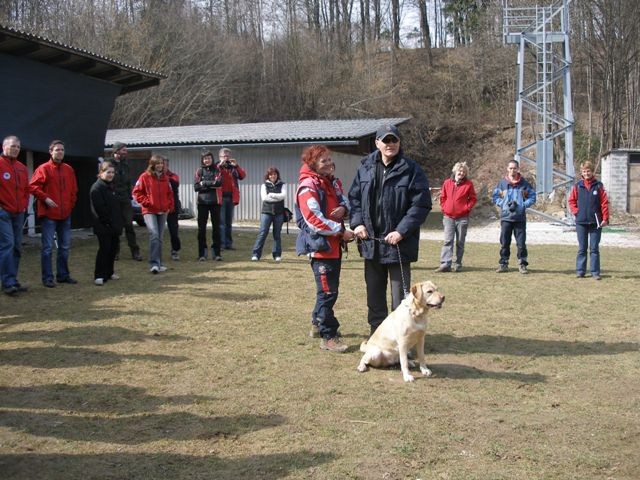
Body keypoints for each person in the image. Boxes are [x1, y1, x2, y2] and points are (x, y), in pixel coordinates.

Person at [348, 124, 432, 336]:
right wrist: (357, 224)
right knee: (374, 296)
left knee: (401, 300)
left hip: (398, 246)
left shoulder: (412, 170)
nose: (390, 144)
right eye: (385, 140)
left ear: (399, 142)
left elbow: (421, 205)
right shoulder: (365, 167)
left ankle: (401, 341)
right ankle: (378, 335)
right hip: (371, 245)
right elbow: (354, 198)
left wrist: (401, 231)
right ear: (377, 143)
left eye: (394, 140)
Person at [296, 145, 354, 353]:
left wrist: (344, 209)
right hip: (321, 249)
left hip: (334, 248)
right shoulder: (308, 185)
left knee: (327, 291)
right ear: (312, 164)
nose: (329, 163)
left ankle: (316, 323)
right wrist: (340, 232)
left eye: (329, 159)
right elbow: (313, 220)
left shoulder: (332, 181)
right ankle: (328, 335)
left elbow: (344, 200)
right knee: (328, 293)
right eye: (323, 161)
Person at [29, 140, 78, 287]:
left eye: (62, 150)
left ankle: (63, 275)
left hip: (65, 215)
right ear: (51, 151)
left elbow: (74, 190)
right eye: (57, 150)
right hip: (49, 215)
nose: (60, 152)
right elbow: (33, 186)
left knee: (64, 247)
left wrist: (70, 205)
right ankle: (48, 278)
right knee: (47, 248)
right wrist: (45, 198)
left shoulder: (68, 169)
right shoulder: (43, 169)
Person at [492, 159, 537, 274]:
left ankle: (522, 264)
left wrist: (522, 205)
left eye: (515, 168)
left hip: (519, 218)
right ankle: (503, 264)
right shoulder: (502, 183)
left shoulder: (524, 184)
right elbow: (495, 197)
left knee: (521, 244)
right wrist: (503, 204)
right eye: (510, 168)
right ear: (507, 169)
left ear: (518, 169)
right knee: (504, 243)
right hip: (506, 218)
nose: (512, 170)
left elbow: (532, 197)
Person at [132, 155, 174, 274]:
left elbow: (170, 194)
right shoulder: (144, 176)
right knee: (154, 235)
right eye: (158, 163)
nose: (160, 165)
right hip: (149, 211)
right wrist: (147, 202)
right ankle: (154, 264)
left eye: (161, 163)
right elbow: (136, 192)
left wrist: (169, 206)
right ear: (152, 164)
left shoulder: (165, 178)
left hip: (163, 211)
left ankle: (159, 263)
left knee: (159, 238)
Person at [568, 160, 609, 280]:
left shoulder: (599, 186)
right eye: (584, 171)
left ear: (592, 172)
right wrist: (576, 212)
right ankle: (580, 271)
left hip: (596, 222)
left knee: (594, 248)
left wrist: (605, 218)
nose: (586, 173)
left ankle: (595, 272)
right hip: (581, 222)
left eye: (588, 171)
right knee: (582, 248)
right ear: (581, 172)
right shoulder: (578, 186)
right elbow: (571, 201)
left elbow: (604, 203)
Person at [0, 135, 29, 295]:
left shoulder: (22, 167)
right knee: (7, 245)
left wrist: (24, 206)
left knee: (17, 247)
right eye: (13, 146)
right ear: (4, 147)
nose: (16, 149)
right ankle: (7, 282)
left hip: (18, 213)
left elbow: (26, 190)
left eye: (18, 147)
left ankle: (13, 279)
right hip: (3, 213)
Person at [435, 161, 477, 273]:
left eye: (463, 172)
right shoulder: (447, 183)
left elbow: (473, 198)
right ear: (455, 171)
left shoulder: (468, 184)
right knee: (448, 241)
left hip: (462, 217)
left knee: (460, 241)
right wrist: (444, 207)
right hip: (448, 217)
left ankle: (457, 263)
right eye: (460, 171)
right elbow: (442, 197)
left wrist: (467, 208)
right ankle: (445, 264)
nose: (461, 173)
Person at [90, 162, 123, 286]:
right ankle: (99, 275)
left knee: (113, 248)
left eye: (112, 172)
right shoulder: (96, 188)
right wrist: (108, 222)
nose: (110, 175)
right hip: (103, 225)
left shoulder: (111, 186)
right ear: (101, 173)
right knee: (104, 249)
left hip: (114, 224)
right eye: (108, 172)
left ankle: (109, 272)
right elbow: (99, 208)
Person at [110, 142, 142, 261]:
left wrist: (130, 195)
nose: (126, 152)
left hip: (125, 200)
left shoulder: (126, 166)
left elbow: (129, 182)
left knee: (129, 225)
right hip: (113, 200)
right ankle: (115, 251)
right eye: (123, 150)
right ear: (116, 151)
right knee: (116, 227)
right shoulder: (108, 165)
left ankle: (135, 252)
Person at [251, 166, 286, 262]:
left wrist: (271, 195)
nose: (273, 176)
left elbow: (283, 196)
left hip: (279, 212)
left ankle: (277, 255)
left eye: (274, 174)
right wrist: (276, 197)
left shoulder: (282, 184)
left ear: (277, 175)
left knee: (277, 234)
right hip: (266, 212)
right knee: (263, 233)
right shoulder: (264, 185)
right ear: (268, 176)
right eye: (271, 174)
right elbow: (265, 198)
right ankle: (256, 254)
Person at [194, 151, 223, 261]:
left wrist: (204, 183)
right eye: (205, 158)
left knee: (216, 229)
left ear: (212, 159)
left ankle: (217, 253)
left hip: (215, 202)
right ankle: (202, 254)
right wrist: (211, 184)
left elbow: (219, 183)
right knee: (201, 229)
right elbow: (196, 187)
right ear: (202, 160)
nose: (207, 160)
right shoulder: (199, 171)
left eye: (209, 158)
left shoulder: (217, 170)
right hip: (202, 203)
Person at [217, 147, 246, 250]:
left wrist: (236, 165)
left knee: (228, 222)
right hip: (221, 197)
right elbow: (214, 175)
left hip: (231, 197)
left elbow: (242, 176)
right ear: (220, 157)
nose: (226, 158)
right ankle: (221, 244)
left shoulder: (233, 167)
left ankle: (228, 244)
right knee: (222, 222)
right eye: (224, 156)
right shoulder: (217, 167)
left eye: (228, 156)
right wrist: (220, 164)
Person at [164, 157, 182, 261]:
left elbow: (176, 184)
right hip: (159, 207)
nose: (163, 166)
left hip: (172, 207)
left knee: (173, 231)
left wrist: (165, 176)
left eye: (165, 164)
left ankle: (175, 251)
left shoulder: (173, 176)